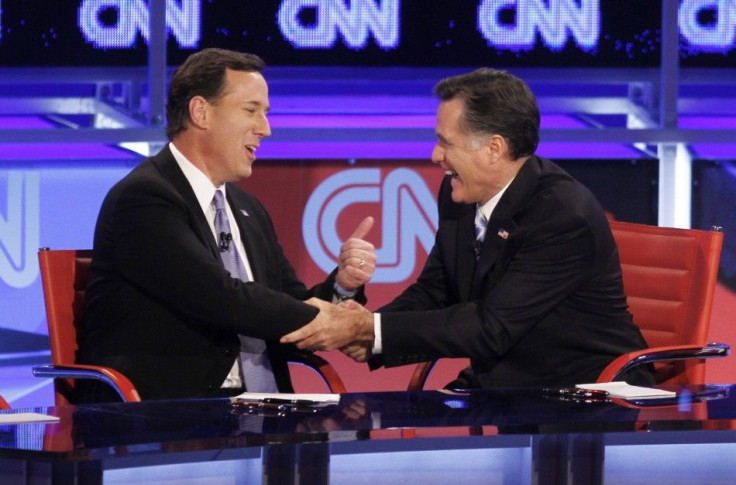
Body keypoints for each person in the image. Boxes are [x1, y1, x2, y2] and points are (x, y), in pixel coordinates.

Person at [281, 68, 653, 388]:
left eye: (446, 143)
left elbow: (492, 327)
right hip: (506, 386)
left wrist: (370, 330)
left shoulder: (561, 214)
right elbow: (437, 290)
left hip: (584, 395)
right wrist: (370, 332)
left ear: (494, 148)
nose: (435, 156)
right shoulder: (458, 192)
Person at [77, 48, 376, 402]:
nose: (265, 129)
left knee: (358, 429)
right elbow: (222, 299)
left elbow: (290, 303)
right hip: (171, 415)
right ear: (200, 112)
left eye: (265, 114)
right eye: (251, 111)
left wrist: (341, 288)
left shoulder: (247, 209)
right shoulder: (145, 199)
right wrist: (332, 321)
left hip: (263, 411)